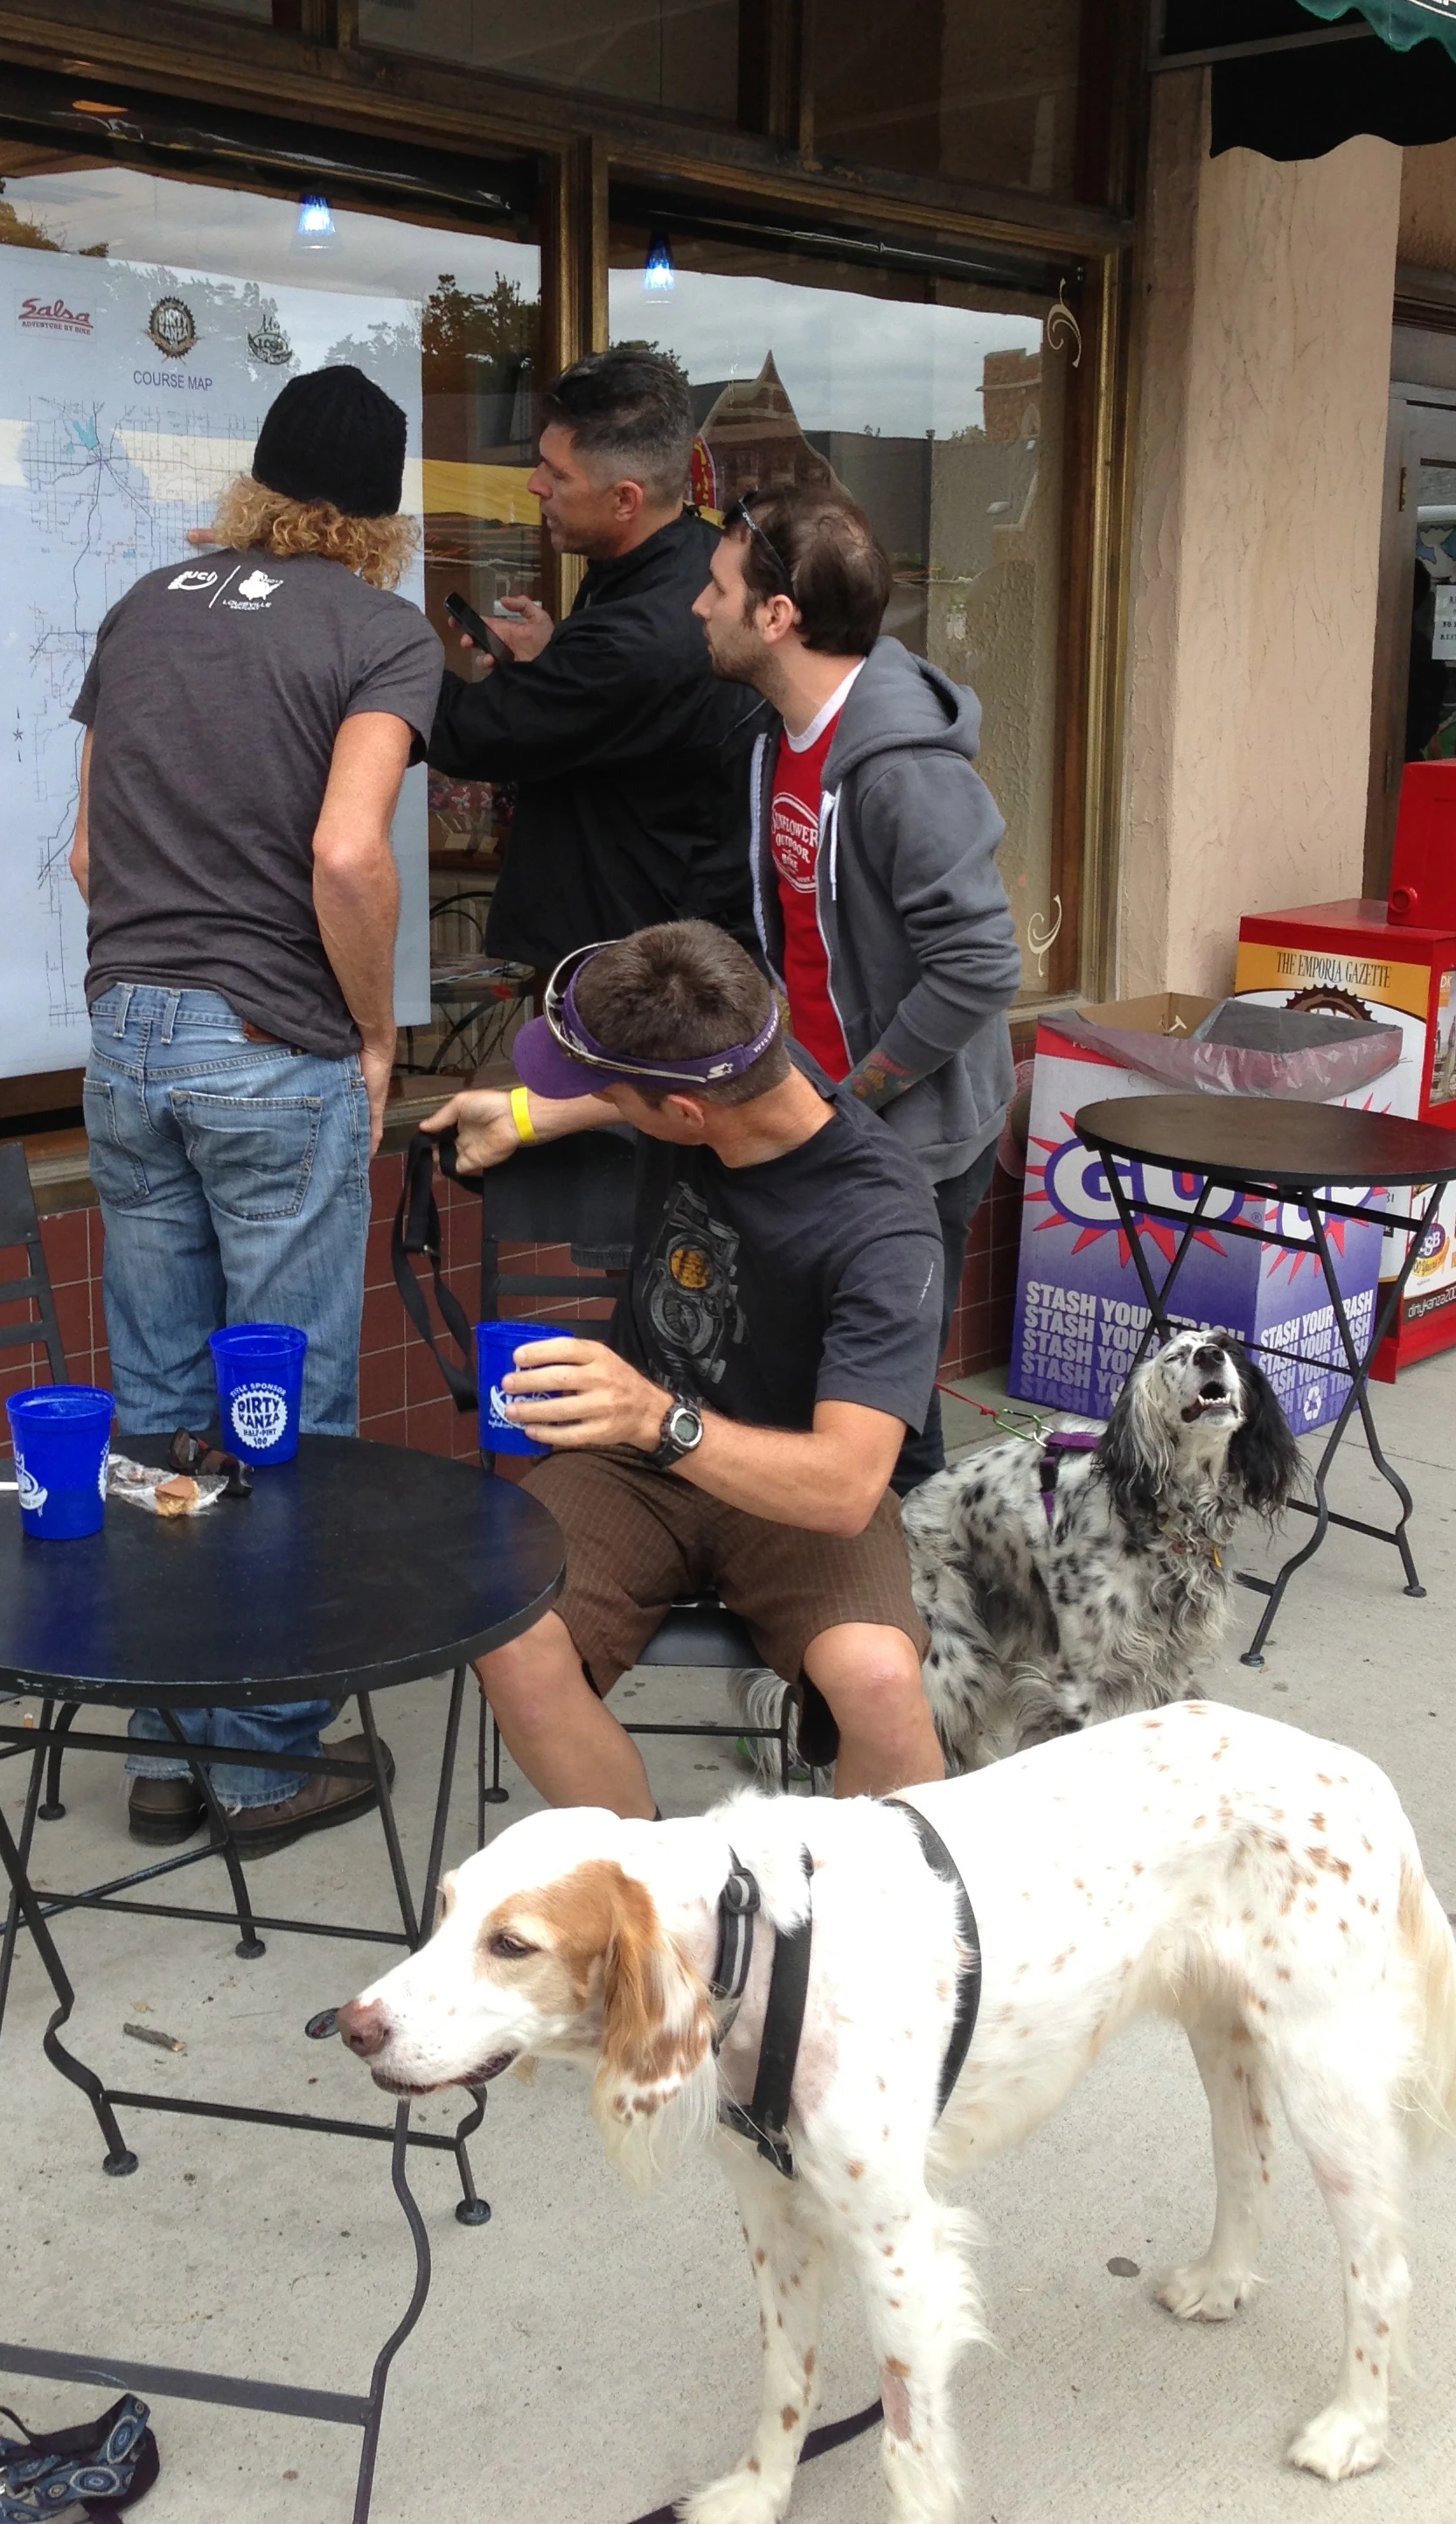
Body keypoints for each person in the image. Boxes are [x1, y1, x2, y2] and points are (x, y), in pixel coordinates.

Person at [68, 364, 441, 1856]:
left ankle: (165, 1748)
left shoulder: (144, 606)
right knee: (281, 1412)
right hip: (271, 1043)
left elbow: (88, 855)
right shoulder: (379, 632)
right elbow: (348, 853)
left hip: (125, 1037)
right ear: (382, 511)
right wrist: (373, 1031)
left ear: (260, 480)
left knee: (159, 1402)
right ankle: (261, 1762)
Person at [422, 920, 947, 1815]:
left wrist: (654, 1416)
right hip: (627, 1470)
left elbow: (846, 1488)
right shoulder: (743, 1064)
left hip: (789, 1480)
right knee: (509, 1635)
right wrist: (522, 1115)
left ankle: (876, 1900)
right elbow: (634, 1093)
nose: (595, 1097)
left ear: (686, 1116)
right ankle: (660, 1879)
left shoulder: (883, 1226)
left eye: (608, 1089)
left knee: (880, 1680)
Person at [699, 482, 1020, 1498]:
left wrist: (859, 1096)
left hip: (907, 1136)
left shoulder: (901, 770)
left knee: (884, 1406)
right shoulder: (783, 737)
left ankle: (914, 1586)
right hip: (830, 1112)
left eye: (717, 589)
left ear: (776, 615)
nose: (699, 606)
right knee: (818, 1386)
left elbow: (981, 963)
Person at [428, 349, 768, 968]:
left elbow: (465, 732)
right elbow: (624, 711)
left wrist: (363, 640)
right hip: (651, 936)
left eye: (557, 474)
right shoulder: (687, 558)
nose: (534, 484)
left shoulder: (638, 636)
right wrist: (556, 660)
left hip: (636, 969)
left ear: (625, 500)